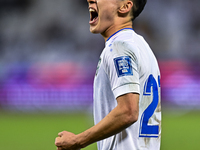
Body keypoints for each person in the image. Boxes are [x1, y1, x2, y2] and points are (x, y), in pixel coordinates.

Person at [55, 0, 161, 149]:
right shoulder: (142, 46)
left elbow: (128, 111)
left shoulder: (119, 47)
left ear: (125, 6)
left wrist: (77, 140)